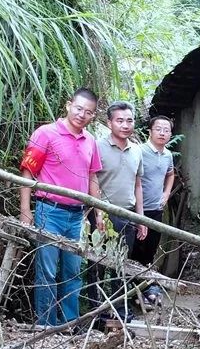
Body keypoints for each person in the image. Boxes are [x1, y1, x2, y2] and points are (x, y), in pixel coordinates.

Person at [19, 88, 103, 327]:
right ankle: (46, 324)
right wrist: (25, 210)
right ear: (68, 105)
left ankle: (69, 323)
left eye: (88, 112)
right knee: (46, 271)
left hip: (77, 217)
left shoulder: (90, 142)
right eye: (78, 108)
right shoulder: (46, 133)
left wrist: (98, 212)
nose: (81, 115)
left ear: (93, 116)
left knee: (73, 272)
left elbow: (92, 177)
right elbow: (27, 171)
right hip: (49, 211)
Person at [91, 101, 147, 317]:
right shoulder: (98, 146)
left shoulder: (136, 151)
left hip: (128, 215)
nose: (125, 125)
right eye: (120, 120)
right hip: (103, 215)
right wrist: (97, 212)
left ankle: (120, 310)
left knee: (121, 265)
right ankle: (96, 312)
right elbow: (92, 179)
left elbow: (138, 184)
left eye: (129, 120)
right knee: (97, 266)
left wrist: (141, 218)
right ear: (109, 123)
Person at [131, 115, 176, 304]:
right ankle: (133, 289)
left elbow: (170, 174)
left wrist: (166, 194)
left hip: (156, 210)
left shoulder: (167, 155)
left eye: (166, 130)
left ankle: (146, 286)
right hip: (135, 209)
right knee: (134, 250)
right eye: (158, 129)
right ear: (150, 130)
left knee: (150, 250)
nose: (162, 133)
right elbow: (134, 180)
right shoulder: (139, 151)